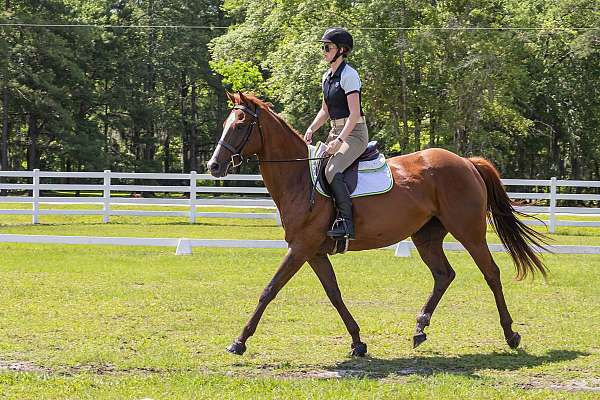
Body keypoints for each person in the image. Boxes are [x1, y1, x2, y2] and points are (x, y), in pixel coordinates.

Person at [304, 27, 368, 240]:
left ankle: (347, 223)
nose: (324, 51)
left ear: (341, 50)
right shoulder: (327, 77)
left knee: (331, 170)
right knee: (315, 168)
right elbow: (325, 110)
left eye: (327, 47)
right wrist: (312, 128)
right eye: (323, 47)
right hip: (335, 130)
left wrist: (340, 141)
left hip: (355, 133)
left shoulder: (349, 76)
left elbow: (354, 113)